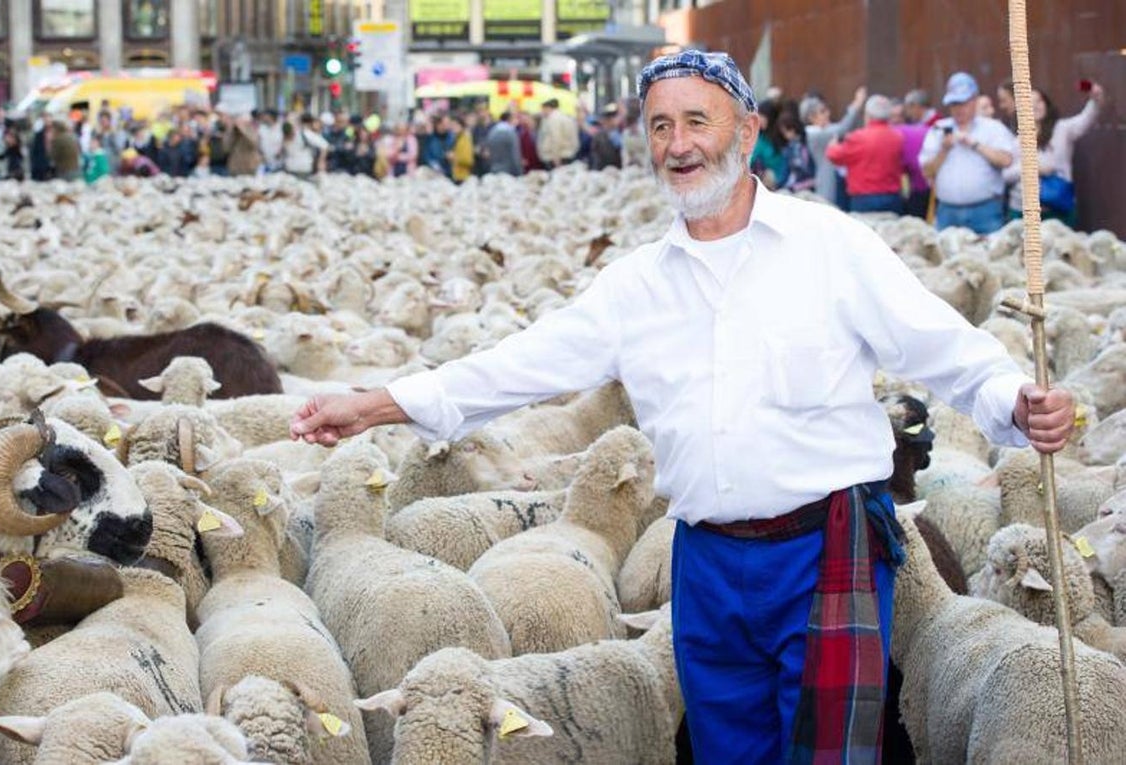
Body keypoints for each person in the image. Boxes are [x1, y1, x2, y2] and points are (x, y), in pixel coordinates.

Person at [289, 50, 1075, 765]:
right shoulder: (636, 284)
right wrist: (379, 404)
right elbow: (519, 365)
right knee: (725, 753)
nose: (678, 143)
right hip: (704, 563)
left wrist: (1016, 399)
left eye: (697, 120)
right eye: (660, 126)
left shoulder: (829, 248)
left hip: (824, 550)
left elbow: (945, 344)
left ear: (747, 127)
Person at [919, 71, 1016, 234]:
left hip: (985, 211)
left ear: (975, 101)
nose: (959, 109)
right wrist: (944, 150)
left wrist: (975, 145)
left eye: (963, 103)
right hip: (947, 212)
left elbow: (1006, 160)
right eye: (954, 104)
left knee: (988, 258)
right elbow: (927, 171)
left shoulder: (993, 128)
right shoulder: (938, 129)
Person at [1003, 82, 1104, 226]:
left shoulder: (1061, 129)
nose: (1036, 106)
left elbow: (1086, 119)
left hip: (1057, 207)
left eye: (1039, 101)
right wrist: (1032, 169)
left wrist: (1095, 99)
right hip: (1022, 210)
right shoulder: (1016, 139)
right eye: (1029, 103)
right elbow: (1005, 175)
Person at [825, 94, 904, 213]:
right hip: (891, 197)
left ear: (867, 115)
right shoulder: (898, 137)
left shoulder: (858, 138)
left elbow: (834, 156)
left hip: (863, 199)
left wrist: (832, 145)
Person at [800, 86, 866, 206]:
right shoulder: (814, 134)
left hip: (836, 180)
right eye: (822, 111)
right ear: (811, 118)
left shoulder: (823, 130)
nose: (827, 113)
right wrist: (857, 103)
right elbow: (843, 127)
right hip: (827, 181)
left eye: (826, 110)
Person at [536, 98, 579, 169]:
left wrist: (556, 158)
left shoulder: (553, 119)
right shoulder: (567, 118)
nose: (542, 112)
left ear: (548, 108)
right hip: (567, 154)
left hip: (556, 157)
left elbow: (556, 139)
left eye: (543, 109)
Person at [484, 110, 522, 176]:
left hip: (494, 169)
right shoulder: (510, 132)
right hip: (508, 171)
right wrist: (519, 172)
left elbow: (488, 152)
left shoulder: (493, 131)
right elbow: (515, 154)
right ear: (510, 119)